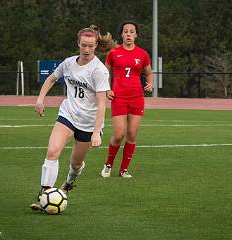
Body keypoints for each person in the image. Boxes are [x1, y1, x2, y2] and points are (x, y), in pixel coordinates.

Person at [31, 25, 115, 211]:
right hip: (68, 115)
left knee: (75, 164)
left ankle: (68, 183)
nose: (86, 50)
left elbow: (102, 104)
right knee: (53, 151)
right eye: (83, 45)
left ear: (95, 46)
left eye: (90, 46)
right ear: (78, 44)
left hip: (88, 122)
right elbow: (52, 78)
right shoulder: (68, 63)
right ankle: (44, 194)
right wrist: (40, 99)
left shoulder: (99, 71)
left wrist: (96, 133)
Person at [101, 21, 153, 178]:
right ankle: (108, 164)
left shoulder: (142, 54)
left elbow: (149, 73)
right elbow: (105, 73)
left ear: (136, 35)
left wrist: (150, 83)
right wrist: (107, 89)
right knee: (118, 135)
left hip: (137, 97)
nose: (129, 34)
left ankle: (123, 169)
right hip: (119, 97)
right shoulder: (113, 53)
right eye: (126, 31)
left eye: (132, 31)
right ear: (122, 34)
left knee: (131, 134)